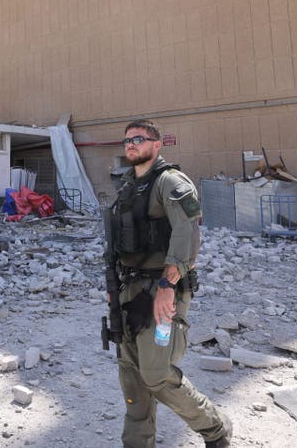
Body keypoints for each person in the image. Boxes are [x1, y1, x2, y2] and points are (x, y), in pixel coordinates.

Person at [108, 120, 231, 448]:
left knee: (156, 373)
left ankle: (215, 428)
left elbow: (187, 233)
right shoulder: (127, 187)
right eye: (127, 140)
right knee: (132, 379)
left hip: (162, 289)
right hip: (129, 290)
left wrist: (166, 286)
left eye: (138, 139)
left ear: (157, 145)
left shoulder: (170, 182)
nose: (131, 144)